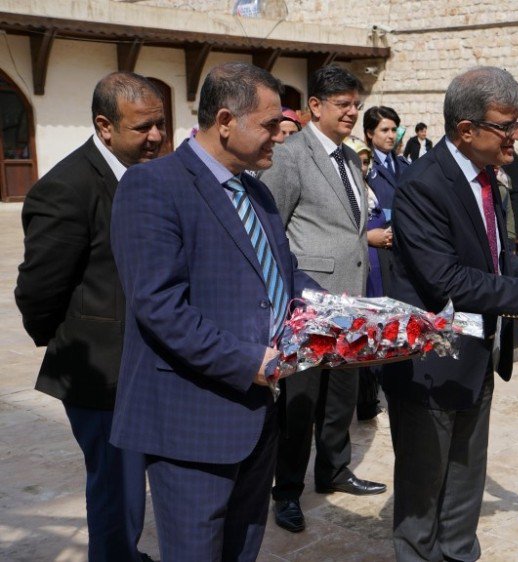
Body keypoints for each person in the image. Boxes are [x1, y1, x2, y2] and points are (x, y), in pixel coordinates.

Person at [109, 61, 322, 561]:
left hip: (257, 418)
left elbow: (285, 277)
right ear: (225, 120)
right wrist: (250, 362)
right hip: (194, 422)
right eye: (269, 126)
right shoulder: (153, 186)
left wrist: (343, 315)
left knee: (242, 549)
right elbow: (160, 307)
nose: (280, 137)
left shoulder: (257, 192)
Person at [383, 66, 518, 561]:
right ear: (466, 130)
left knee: (466, 478)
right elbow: (446, 280)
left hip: (474, 355)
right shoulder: (422, 186)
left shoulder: (495, 175)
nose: (517, 135)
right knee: (423, 494)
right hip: (429, 363)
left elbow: (497, 257)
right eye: (506, 125)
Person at [14, 72, 164, 562]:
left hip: (144, 366)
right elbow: (39, 291)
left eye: (160, 124)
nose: (157, 137)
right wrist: (76, 341)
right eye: (143, 128)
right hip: (100, 373)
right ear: (104, 126)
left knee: (131, 484)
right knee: (115, 488)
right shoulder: (67, 187)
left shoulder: (146, 176)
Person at [258, 65, 386, 535]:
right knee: (300, 403)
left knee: (341, 399)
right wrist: (291, 295)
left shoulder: (351, 158)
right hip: (309, 304)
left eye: (356, 104)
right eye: (343, 105)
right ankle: (286, 490)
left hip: (349, 303)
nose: (353, 112)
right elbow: (272, 230)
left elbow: (349, 227)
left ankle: (334, 469)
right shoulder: (289, 156)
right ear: (315, 107)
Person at [346, 136, 391, 421]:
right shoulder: (346, 192)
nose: (363, 167)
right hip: (361, 269)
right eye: (359, 161)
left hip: (378, 269)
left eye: (365, 162)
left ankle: (371, 395)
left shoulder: (369, 189)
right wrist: (368, 238)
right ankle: (362, 400)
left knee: (376, 329)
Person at [364, 105, 410, 212]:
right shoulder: (364, 167)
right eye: (385, 130)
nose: (391, 136)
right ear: (370, 133)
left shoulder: (405, 165)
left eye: (394, 130)